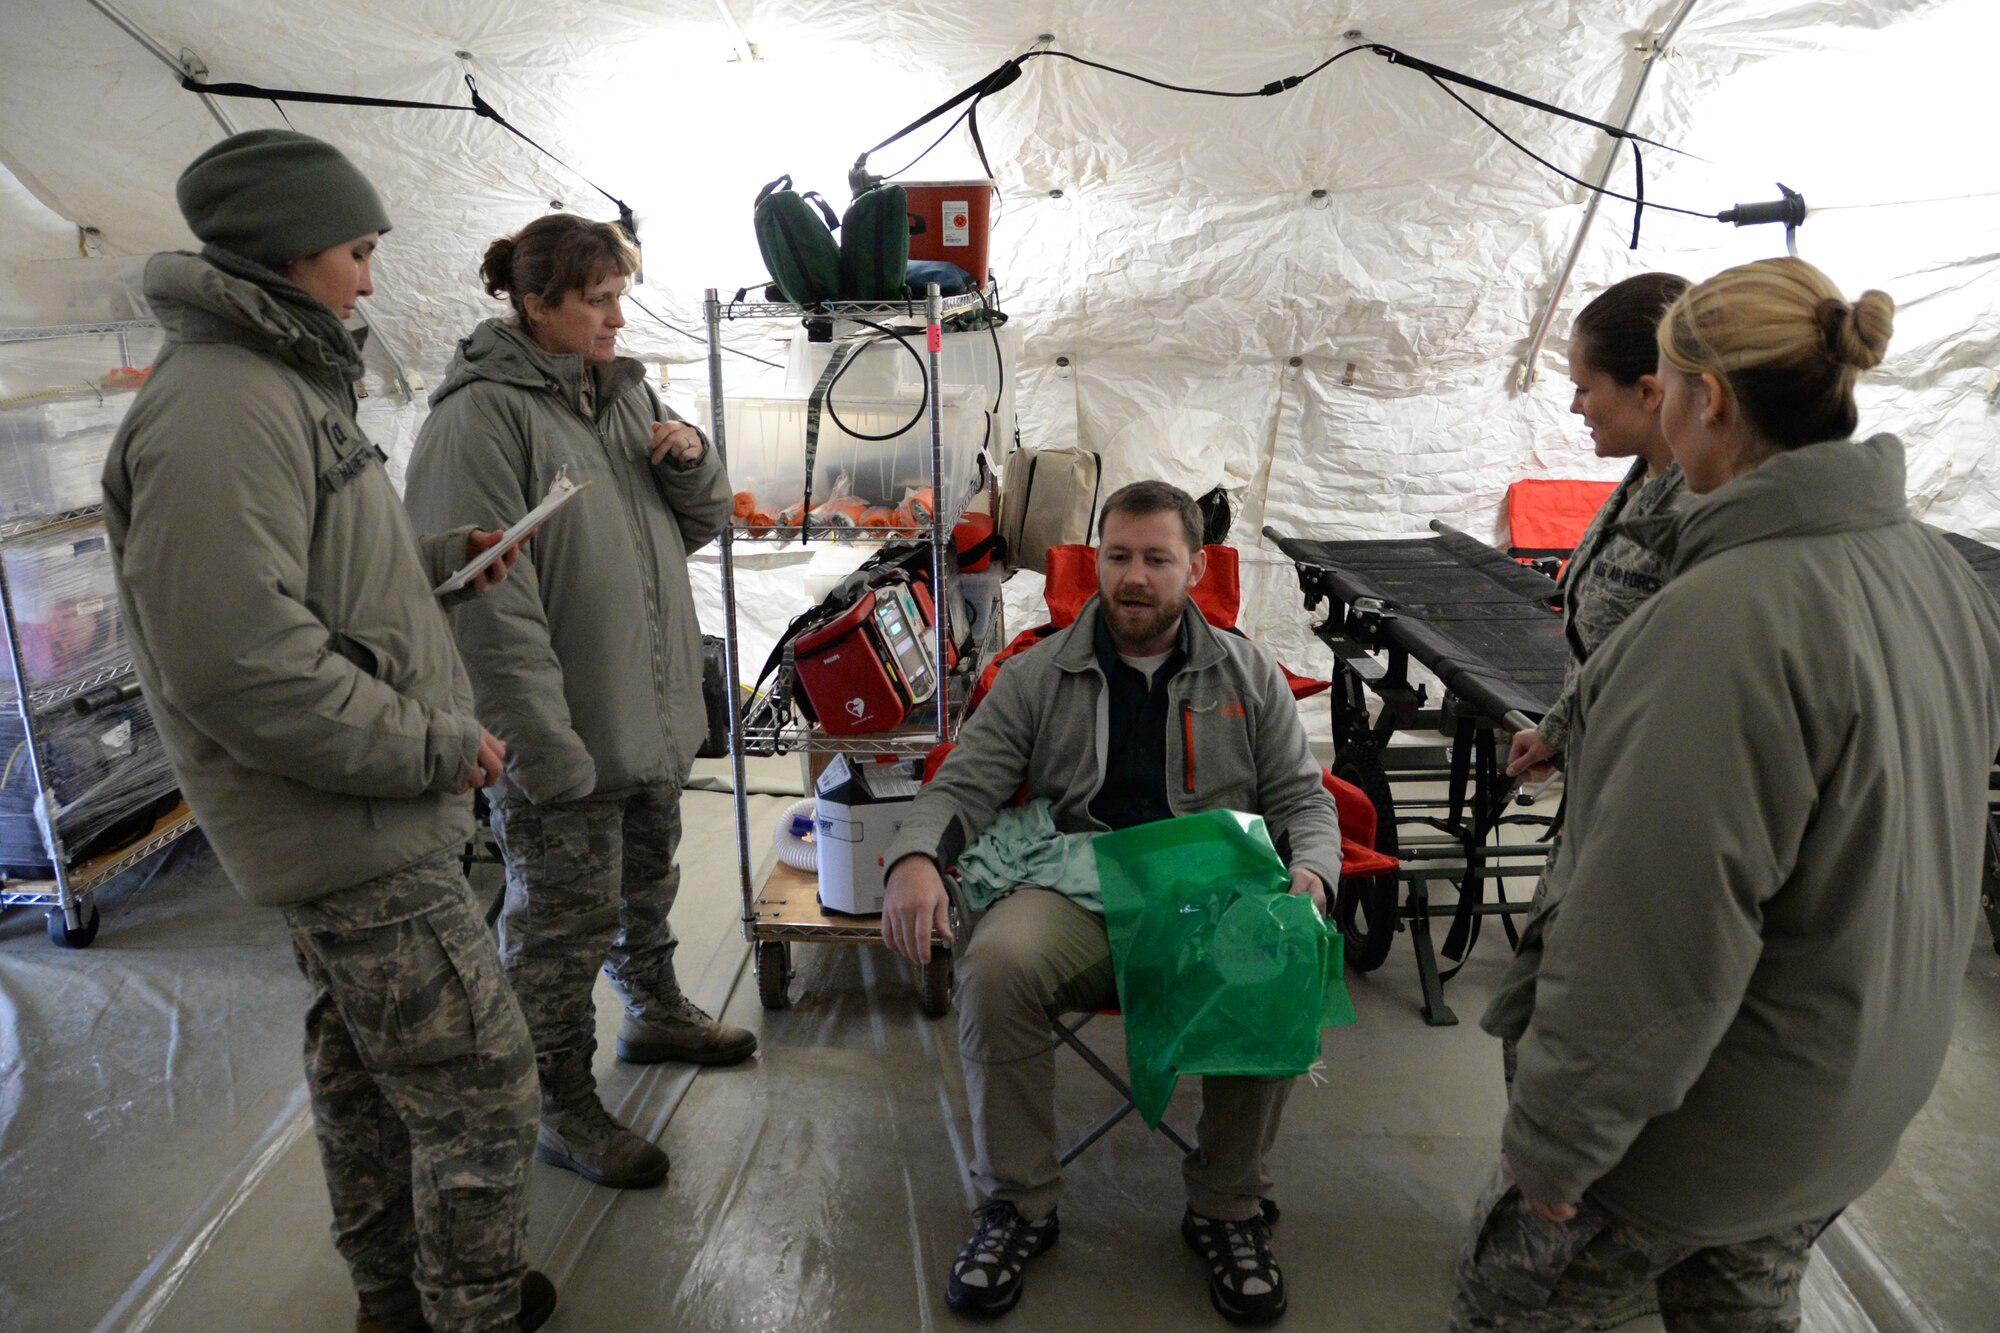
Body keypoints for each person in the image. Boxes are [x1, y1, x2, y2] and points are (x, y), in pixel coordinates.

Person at [1451, 256, 2000, 1332]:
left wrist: (1559, 1143)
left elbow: (1658, 932)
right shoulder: (1929, 569)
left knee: (1509, 1307)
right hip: (1851, 1087)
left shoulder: (1725, 617)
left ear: (1704, 396)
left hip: (1707, 1119)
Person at [102, 130, 552, 1332]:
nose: (368, 279)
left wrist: (438, 572)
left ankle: (400, 1296)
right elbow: (240, 663)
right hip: (352, 819)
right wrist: (429, 745)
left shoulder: (278, 386)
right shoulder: (221, 409)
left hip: (353, 811)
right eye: (357, 251)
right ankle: (473, 1307)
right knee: (480, 1093)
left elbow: (316, 577)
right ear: (290, 251)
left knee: (369, 1080)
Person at [880, 481, 1342, 1325]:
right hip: (1077, 883)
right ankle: (1018, 1203)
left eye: (1157, 559)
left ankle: (1226, 1206)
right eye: (1118, 556)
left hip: (1207, 893)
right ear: (1096, 562)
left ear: (1195, 568)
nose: (1134, 576)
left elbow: (1306, 802)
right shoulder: (1034, 672)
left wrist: (1313, 875)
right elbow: (966, 781)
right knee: (997, 963)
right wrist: (915, 855)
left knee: (1276, 951)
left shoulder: (1249, 672)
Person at [404, 212, 751, 1195]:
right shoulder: (480, 418)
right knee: (557, 931)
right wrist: (540, 748)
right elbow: (484, 607)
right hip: (565, 734)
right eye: (597, 299)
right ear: (534, 303)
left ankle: (654, 1006)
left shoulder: (620, 395)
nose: (617, 314)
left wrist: (692, 462)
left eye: (619, 294)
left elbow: (695, 527)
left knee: (645, 876)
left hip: (635, 712)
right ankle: (557, 1100)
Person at [1487, 273, 1693, 1108]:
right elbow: (1613, 647)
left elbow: (1677, 668)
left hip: (1646, 825)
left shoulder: (1700, 510)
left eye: (1583, 386)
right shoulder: (1645, 480)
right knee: (1538, 1011)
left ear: (1649, 391)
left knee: (1566, 1027)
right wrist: (1563, 725)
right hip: (1598, 793)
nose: (1575, 407)